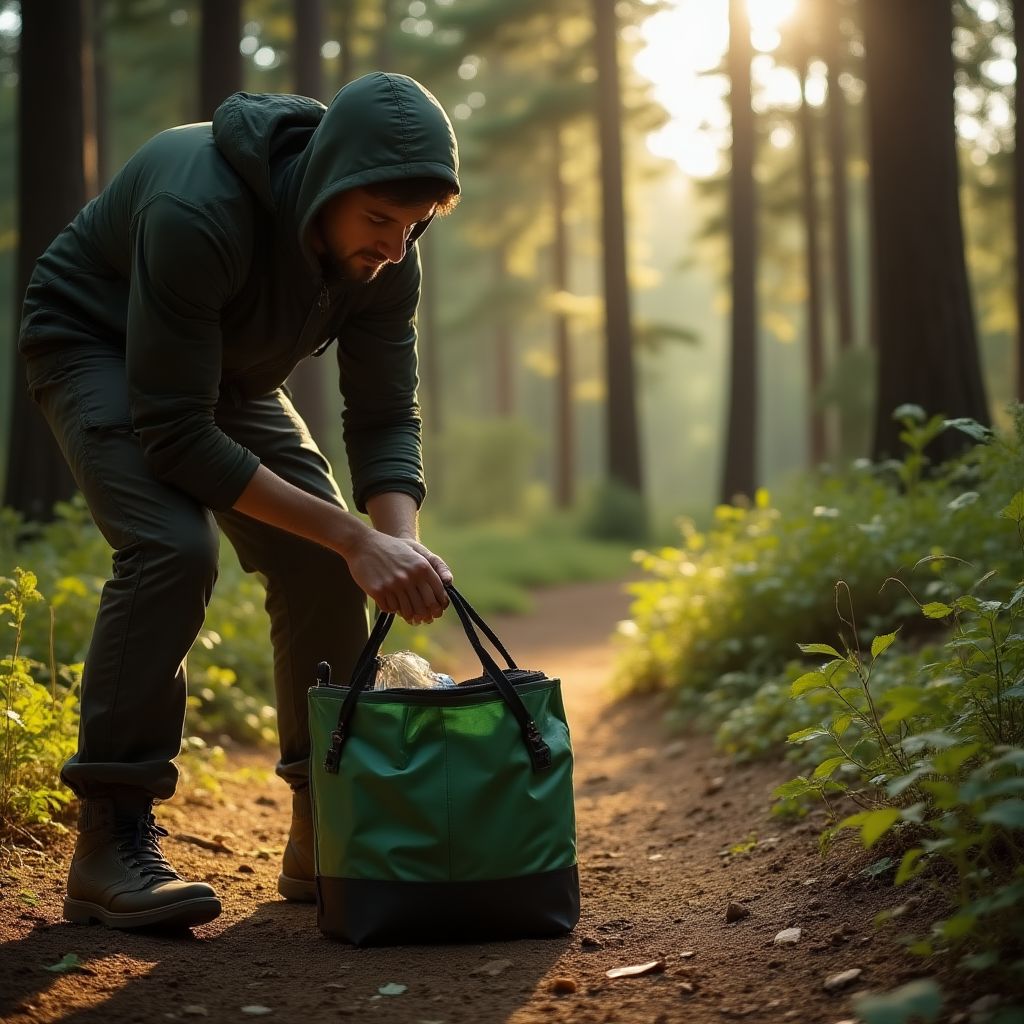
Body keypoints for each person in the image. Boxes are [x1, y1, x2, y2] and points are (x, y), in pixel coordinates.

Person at [18, 72, 461, 931]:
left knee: (335, 564)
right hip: (97, 342)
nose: (397, 248)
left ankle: (323, 827)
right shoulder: (199, 207)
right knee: (172, 550)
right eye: (379, 221)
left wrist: (391, 544)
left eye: (415, 228)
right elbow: (175, 433)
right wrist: (353, 536)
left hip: (219, 369)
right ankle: (110, 837)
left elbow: (383, 413)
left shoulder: (389, 255)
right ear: (327, 182)